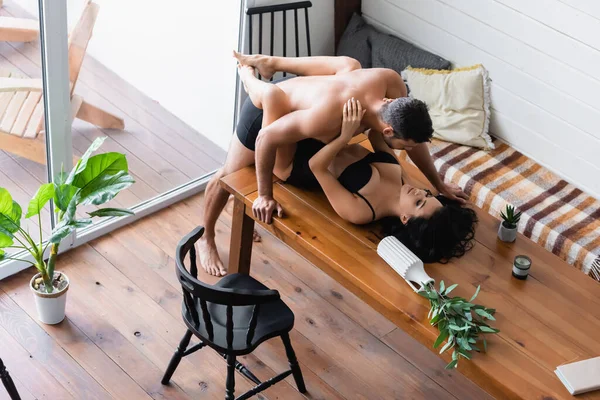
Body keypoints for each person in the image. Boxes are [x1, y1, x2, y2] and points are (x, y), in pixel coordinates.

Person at [198, 54, 468, 276]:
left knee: (351, 67)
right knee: (230, 174)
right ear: (388, 131)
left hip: (305, 120)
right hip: (269, 119)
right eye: (406, 146)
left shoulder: (389, 82)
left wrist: (438, 184)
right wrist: (264, 195)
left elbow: (413, 141)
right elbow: (266, 138)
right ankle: (206, 237)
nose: (410, 150)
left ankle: (272, 63)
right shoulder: (331, 116)